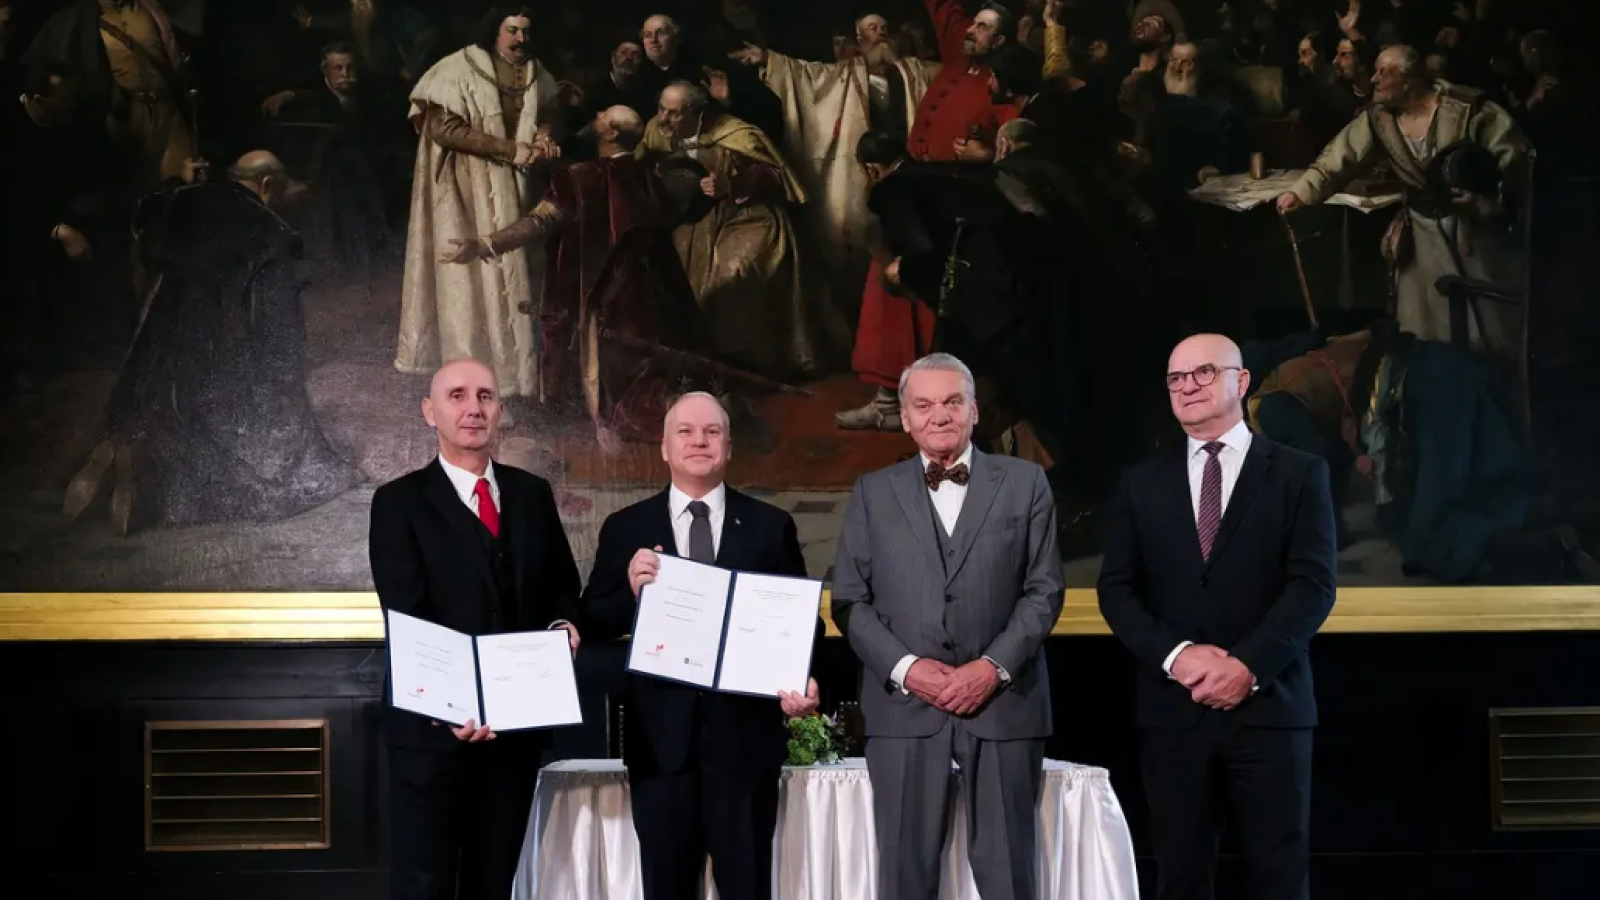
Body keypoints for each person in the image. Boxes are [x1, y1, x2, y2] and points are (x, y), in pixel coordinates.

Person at [1096, 333, 1338, 900]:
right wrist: (1179, 658)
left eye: (1203, 373)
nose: (1188, 387)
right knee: (1179, 876)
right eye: (1176, 379)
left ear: (1242, 381)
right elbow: (1116, 590)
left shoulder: (1300, 473)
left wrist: (1247, 666)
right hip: (1172, 713)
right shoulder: (1141, 481)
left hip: (1270, 710)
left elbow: (1314, 585)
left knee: (1279, 877)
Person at [830, 353, 1064, 900]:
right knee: (905, 881)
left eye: (952, 401)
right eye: (924, 405)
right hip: (904, 714)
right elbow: (850, 602)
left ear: (975, 411)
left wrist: (992, 669)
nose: (939, 415)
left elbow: (1044, 590)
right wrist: (910, 671)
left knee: (1010, 878)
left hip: (1004, 709)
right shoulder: (872, 492)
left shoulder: (1027, 483)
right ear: (905, 418)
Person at [581, 391, 822, 900]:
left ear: (729, 448)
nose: (699, 441)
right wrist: (628, 588)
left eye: (711, 432)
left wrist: (805, 677)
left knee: (748, 888)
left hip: (746, 747)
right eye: (685, 432)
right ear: (664, 448)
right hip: (660, 749)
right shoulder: (625, 528)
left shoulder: (770, 526)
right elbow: (594, 623)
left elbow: (804, 627)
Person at [368, 358, 583, 900]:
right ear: (430, 412)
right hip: (432, 738)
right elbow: (408, 613)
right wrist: (452, 707)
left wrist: (564, 625)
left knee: (494, 883)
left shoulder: (533, 494)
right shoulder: (398, 503)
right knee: (428, 885)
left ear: (499, 412)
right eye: (458, 395)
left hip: (515, 736)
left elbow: (562, 586)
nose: (473, 408)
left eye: (485, 396)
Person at [62, 151, 359, 536]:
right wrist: (286, 385)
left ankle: (113, 455)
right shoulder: (268, 231)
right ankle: (144, 470)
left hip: (153, 360)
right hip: (211, 377)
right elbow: (277, 335)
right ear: (267, 185)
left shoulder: (180, 201)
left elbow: (141, 229)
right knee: (286, 450)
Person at [440, 105, 700, 455]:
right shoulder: (648, 175)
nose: (597, 115)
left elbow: (539, 223)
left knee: (597, 382)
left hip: (597, 296)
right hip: (646, 302)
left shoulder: (579, 177)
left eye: (602, 114)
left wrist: (483, 244)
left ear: (609, 132)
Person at [1277, 45, 1530, 369]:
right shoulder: (1378, 117)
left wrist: (1484, 202)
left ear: (1408, 79)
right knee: (1422, 330)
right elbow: (1338, 160)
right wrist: (1301, 193)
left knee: (1488, 330)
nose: (1374, 79)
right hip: (1422, 239)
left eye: (1384, 72)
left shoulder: (1470, 109)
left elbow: (1517, 164)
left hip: (1476, 234)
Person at [394, 5, 563, 404]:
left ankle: (514, 384)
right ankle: (468, 388)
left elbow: (550, 113)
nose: (520, 39)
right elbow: (444, 129)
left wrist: (543, 137)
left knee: (515, 277)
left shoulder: (538, 72)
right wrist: (508, 149)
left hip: (515, 190)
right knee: (467, 286)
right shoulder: (457, 68)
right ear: (495, 31)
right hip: (463, 190)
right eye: (512, 31)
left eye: (525, 31)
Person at [640, 80, 847, 382]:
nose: (663, 119)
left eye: (673, 113)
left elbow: (773, 173)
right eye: (661, 109)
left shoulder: (736, 134)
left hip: (751, 216)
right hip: (697, 220)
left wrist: (732, 185)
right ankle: (699, 361)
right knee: (674, 269)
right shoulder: (658, 131)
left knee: (733, 272)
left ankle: (746, 361)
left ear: (698, 113)